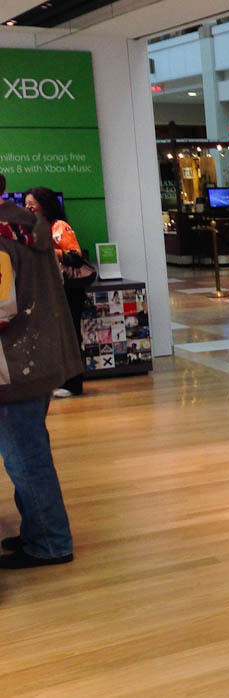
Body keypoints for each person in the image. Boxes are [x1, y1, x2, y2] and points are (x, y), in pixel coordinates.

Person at [0, 174, 77, 568]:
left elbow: (0, 309)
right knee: (28, 452)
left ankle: (50, 542)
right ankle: (37, 531)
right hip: (36, 356)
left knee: (24, 458)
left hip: (11, 365)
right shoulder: (27, 224)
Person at [26, 187, 91, 398]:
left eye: (32, 204)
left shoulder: (59, 227)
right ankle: (63, 379)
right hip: (52, 289)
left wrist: (47, 249)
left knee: (69, 334)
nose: (28, 207)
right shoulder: (35, 227)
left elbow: (75, 256)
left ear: (45, 206)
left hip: (68, 289)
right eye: (26, 203)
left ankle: (73, 383)